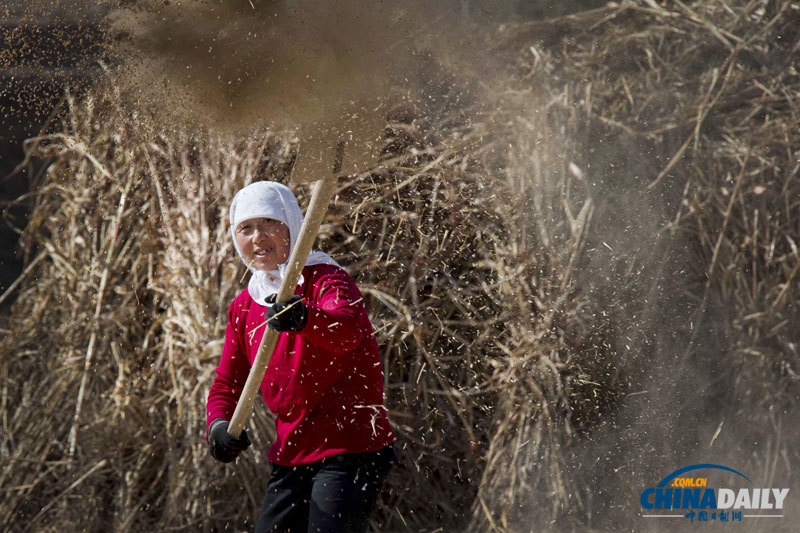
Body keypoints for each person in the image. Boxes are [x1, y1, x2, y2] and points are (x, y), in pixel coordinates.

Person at [205, 181, 396, 532]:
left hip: (349, 447)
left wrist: (305, 317)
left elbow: (348, 332)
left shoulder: (327, 280)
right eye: (246, 228)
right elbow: (227, 382)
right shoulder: (244, 306)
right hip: (291, 451)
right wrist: (218, 424)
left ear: (292, 225)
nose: (258, 238)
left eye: (269, 224)